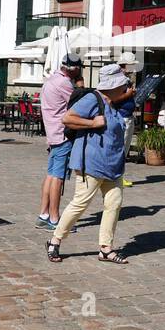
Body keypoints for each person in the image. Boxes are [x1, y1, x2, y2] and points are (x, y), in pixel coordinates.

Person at [44, 64, 135, 265]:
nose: (125, 88)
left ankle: (105, 248)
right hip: (91, 163)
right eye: (122, 84)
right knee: (80, 204)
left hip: (112, 165)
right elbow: (67, 118)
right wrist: (93, 123)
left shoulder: (112, 102)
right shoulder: (91, 99)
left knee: (114, 203)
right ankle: (54, 241)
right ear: (112, 86)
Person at [37, 54, 82, 231]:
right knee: (58, 177)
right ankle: (55, 218)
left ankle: (43, 213)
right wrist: (81, 87)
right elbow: (79, 103)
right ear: (74, 69)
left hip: (52, 133)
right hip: (63, 134)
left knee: (51, 174)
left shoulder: (51, 79)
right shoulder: (64, 83)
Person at [116, 52, 144, 187]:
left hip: (127, 115)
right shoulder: (119, 80)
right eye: (132, 66)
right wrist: (129, 94)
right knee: (121, 148)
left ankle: (119, 175)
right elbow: (114, 99)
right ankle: (117, 177)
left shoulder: (125, 79)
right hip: (122, 117)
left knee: (124, 149)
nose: (133, 69)